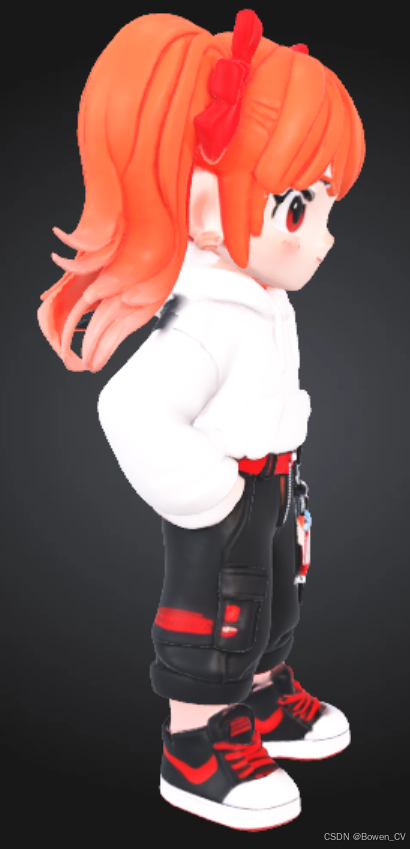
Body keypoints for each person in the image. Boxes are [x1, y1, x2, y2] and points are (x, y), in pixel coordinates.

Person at [37, 10, 365, 831]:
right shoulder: (204, 321)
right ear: (209, 203)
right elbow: (128, 407)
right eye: (299, 208)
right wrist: (211, 496)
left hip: (273, 481)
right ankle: (195, 745)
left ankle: (264, 696)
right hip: (225, 500)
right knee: (217, 622)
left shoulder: (261, 299)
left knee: (274, 606)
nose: (323, 238)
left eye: (326, 207)